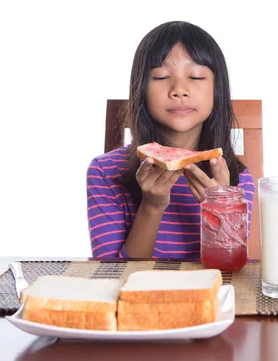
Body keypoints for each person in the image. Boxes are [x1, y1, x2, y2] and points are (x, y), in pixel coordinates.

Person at [86, 21, 255, 260]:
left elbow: (230, 276)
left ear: (217, 91)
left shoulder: (236, 180)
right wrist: (151, 207)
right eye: (162, 76)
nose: (179, 89)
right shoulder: (104, 172)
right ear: (140, 90)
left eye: (196, 76)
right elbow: (112, 276)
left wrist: (221, 210)